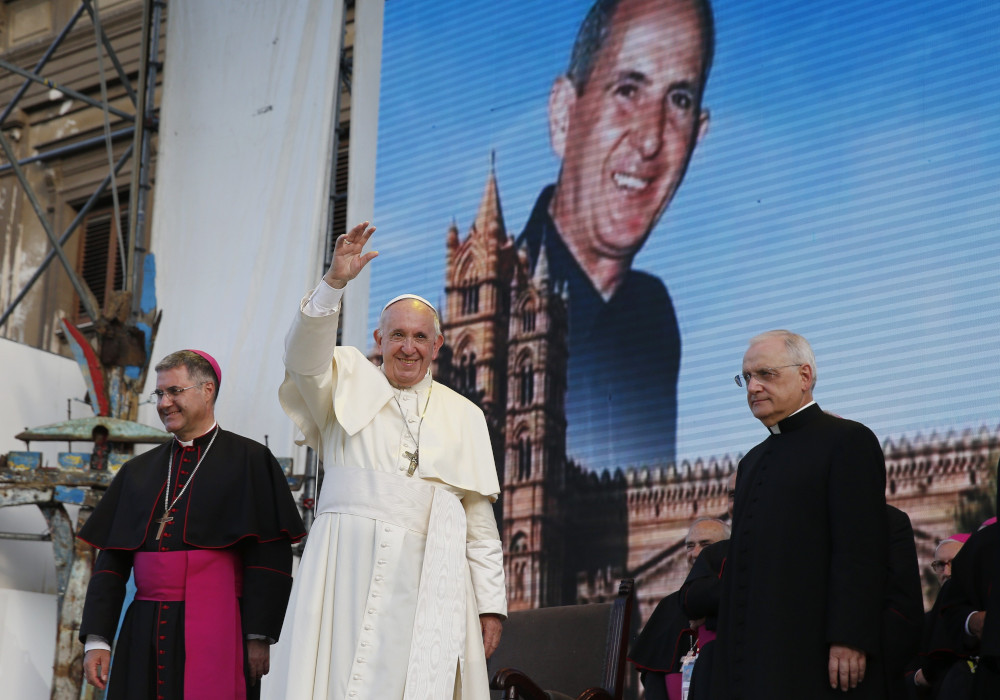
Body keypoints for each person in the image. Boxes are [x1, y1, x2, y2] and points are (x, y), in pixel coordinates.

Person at [264, 222, 507, 699]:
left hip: (428, 582)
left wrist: (491, 605)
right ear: (379, 338)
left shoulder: (467, 415)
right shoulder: (342, 381)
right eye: (397, 336)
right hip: (341, 572)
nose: (408, 348)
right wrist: (333, 283)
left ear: (438, 346)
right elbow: (301, 358)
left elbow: (479, 525)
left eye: (420, 337)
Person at [517, 0, 713, 470]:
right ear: (564, 114)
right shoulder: (489, 308)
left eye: (679, 100)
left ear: (698, 136)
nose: (650, 140)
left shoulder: (651, 317)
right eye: (627, 89)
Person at [78, 349, 306, 699]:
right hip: (144, 626)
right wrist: (97, 638)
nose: (164, 402)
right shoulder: (137, 472)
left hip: (220, 626)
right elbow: (111, 564)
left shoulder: (250, 460)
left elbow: (269, 557)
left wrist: (258, 635)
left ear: (207, 390)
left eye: (174, 391)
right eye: (159, 393)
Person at [710, 330, 888, 699]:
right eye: (746, 378)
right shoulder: (752, 461)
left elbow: (860, 549)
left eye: (766, 374)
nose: (753, 387)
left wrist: (849, 637)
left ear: (805, 376)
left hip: (812, 654)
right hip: (752, 658)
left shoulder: (847, 440)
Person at [630, 517, 730, 700]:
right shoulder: (668, 606)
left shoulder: (738, 600)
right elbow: (654, 675)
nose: (695, 554)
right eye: (690, 546)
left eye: (705, 545)